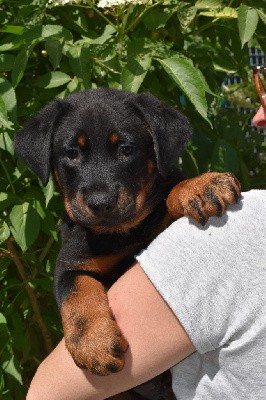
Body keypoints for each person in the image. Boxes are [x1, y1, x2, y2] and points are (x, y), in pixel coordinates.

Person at [27, 78, 266, 400]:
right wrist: (84, 321)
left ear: (158, 150)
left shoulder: (181, 199)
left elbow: (175, 200)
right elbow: (72, 276)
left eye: (126, 150)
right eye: (72, 154)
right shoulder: (82, 245)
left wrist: (185, 192)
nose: (99, 194)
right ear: (50, 163)